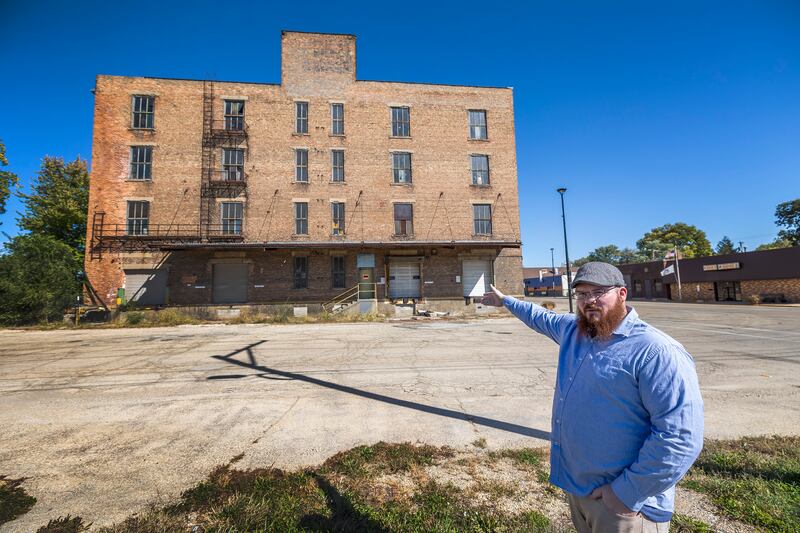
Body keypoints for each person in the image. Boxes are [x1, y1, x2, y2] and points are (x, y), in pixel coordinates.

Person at [482, 262, 703, 533]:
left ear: (622, 293)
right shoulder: (575, 332)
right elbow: (539, 316)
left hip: (626, 507)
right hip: (581, 492)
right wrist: (505, 301)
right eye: (582, 294)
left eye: (599, 292)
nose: (590, 301)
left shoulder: (656, 351)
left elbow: (680, 437)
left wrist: (625, 494)